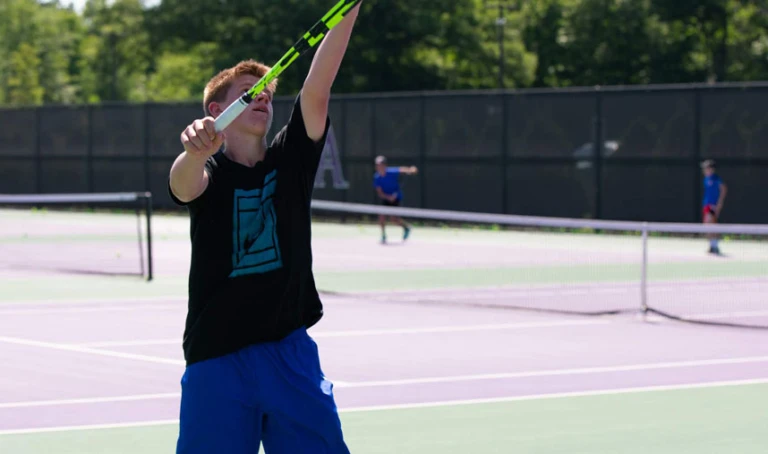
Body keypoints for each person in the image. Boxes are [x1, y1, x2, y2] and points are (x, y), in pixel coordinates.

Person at [167, 4, 361, 453]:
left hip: (289, 356)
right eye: (248, 92)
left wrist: (350, 8)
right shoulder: (207, 171)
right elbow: (182, 183)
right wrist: (196, 151)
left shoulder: (290, 160)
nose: (263, 98)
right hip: (217, 361)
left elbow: (317, 90)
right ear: (218, 109)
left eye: (267, 94)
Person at [373, 155, 418, 244]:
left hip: (396, 198)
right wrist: (388, 197)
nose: (378, 167)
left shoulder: (392, 172)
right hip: (386, 198)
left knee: (394, 219)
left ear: (385, 165)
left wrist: (411, 170)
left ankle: (406, 228)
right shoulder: (377, 177)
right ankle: (383, 236)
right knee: (381, 217)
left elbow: (402, 170)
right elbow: (380, 193)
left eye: (380, 165)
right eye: (377, 165)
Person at [701, 159, 727, 255]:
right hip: (706, 205)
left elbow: (723, 189)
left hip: (712, 206)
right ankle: (713, 245)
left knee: (710, 224)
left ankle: (715, 245)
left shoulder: (716, 179)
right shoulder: (706, 179)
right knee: (707, 225)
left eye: (706, 168)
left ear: (711, 169)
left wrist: (719, 204)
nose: (704, 170)